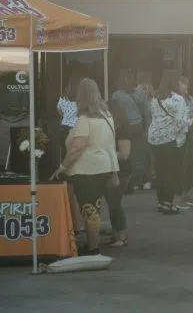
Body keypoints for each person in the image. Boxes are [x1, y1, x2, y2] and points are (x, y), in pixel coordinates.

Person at [51, 77, 118, 255]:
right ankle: (92, 245)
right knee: (95, 206)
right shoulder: (107, 115)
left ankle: (93, 248)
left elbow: (77, 148)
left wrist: (62, 167)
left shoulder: (84, 119)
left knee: (88, 208)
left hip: (87, 169)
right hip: (104, 167)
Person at [147, 72, 193, 215]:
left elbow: (153, 116)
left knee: (160, 172)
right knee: (170, 173)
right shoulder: (178, 99)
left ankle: (161, 202)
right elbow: (181, 124)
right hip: (169, 140)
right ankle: (168, 203)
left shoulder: (155, 98)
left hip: (154, 139)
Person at [105, 95, 134, 248]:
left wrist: (104, 153)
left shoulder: (121, 130)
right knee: (112, 203)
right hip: (112, 170)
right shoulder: (112, 128)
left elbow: (124, 154)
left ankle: (122, 234)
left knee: (115, 202)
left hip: (122, 171)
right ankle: (116, 233)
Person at [176, 75, 193, 208]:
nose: (186, 86)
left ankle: (186, 194)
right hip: (180, 136)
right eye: (183, 83)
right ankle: (179, 197)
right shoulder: (174, 100)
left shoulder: (191, 99)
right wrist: (192, 119)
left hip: (192, 134)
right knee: (182, 166)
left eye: (187, 83)